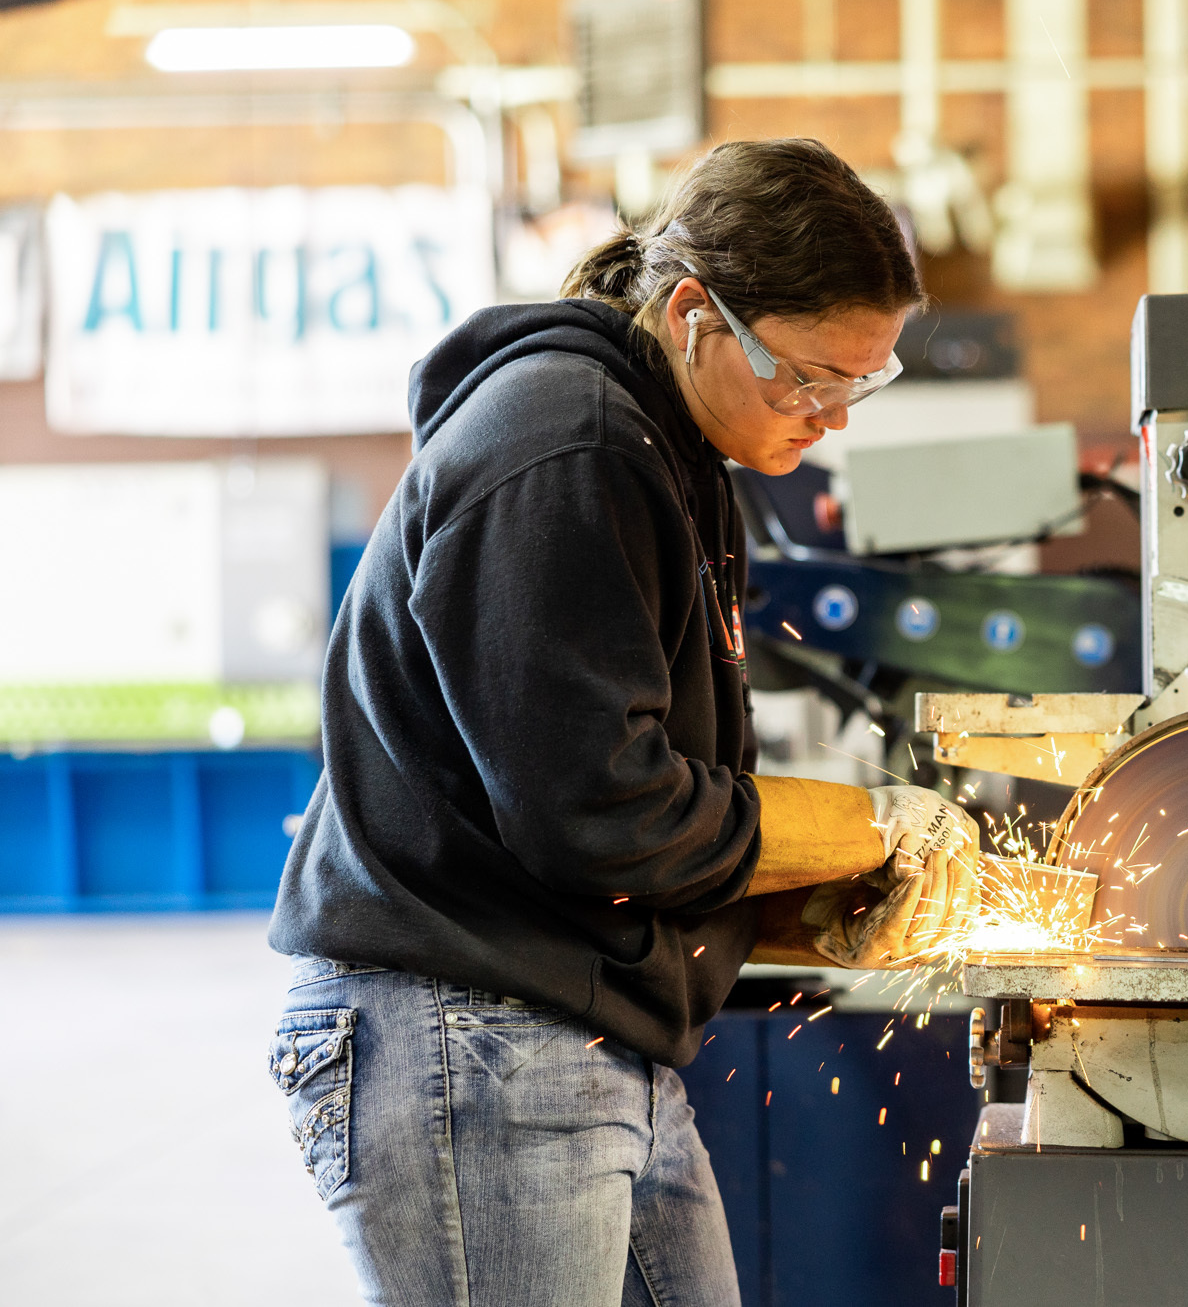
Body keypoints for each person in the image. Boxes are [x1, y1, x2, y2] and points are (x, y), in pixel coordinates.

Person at [265, 138, 982, 1307]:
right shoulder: (566, 443)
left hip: (584, 1034)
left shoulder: (671, 446)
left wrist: (811, 899)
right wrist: (864, 828)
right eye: (808, 377)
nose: (829, 418)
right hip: (470, 1035)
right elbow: (600, 813)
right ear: (696, 313)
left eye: (859, 383)